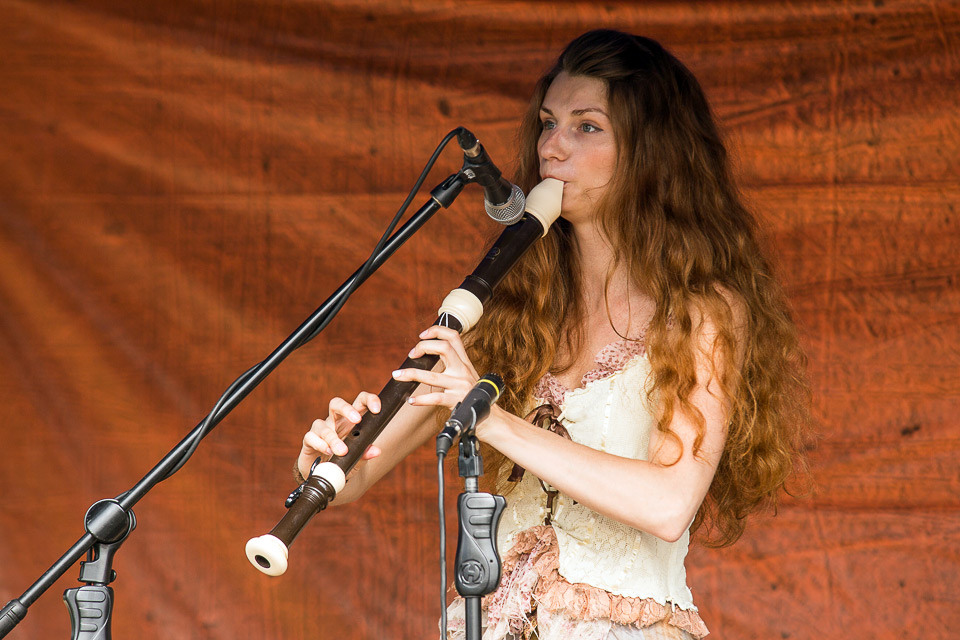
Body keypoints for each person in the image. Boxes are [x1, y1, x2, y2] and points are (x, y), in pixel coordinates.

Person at [297, 29, 812, 640]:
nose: (551, 147)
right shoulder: (508, 308)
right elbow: (358, 479)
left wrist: (492, 420)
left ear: (650, 153)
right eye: (548, 123)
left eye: (586, 126)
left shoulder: (703, 312)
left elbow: (669, 504)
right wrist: (326, 466)